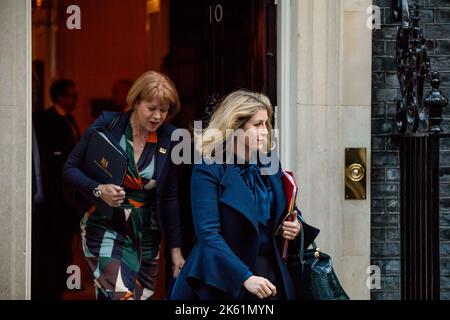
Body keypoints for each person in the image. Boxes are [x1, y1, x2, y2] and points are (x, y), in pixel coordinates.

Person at [170, 90, 320, 300]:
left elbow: (291, 212)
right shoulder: (208, 168)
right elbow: (208, 235)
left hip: (272, 277)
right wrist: (244, 277)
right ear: (235, 127)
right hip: (224, 280)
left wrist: (296, 227)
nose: (266, 131)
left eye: (266, 124)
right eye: (257, 125)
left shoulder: (270, 164)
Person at [62, 71, 185, 300]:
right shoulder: (108, 124)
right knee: (122, 295)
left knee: (138, 296)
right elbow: (70, 168)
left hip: (147, 233)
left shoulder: (172, 137)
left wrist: (175, 251)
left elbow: (170, 197)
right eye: (151, 108)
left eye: (164, 110)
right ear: (136, 101)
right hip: (105, 225)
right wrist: (99, 190)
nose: (157, 116)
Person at [32, 79, 80, 299]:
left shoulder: (70, 120)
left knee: (63, 254)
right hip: (52, 200)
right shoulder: (45, 119)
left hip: (67, 199)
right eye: (71, 95)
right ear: (59, 96)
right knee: (50, 255)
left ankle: (60, 288)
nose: (75, 100)